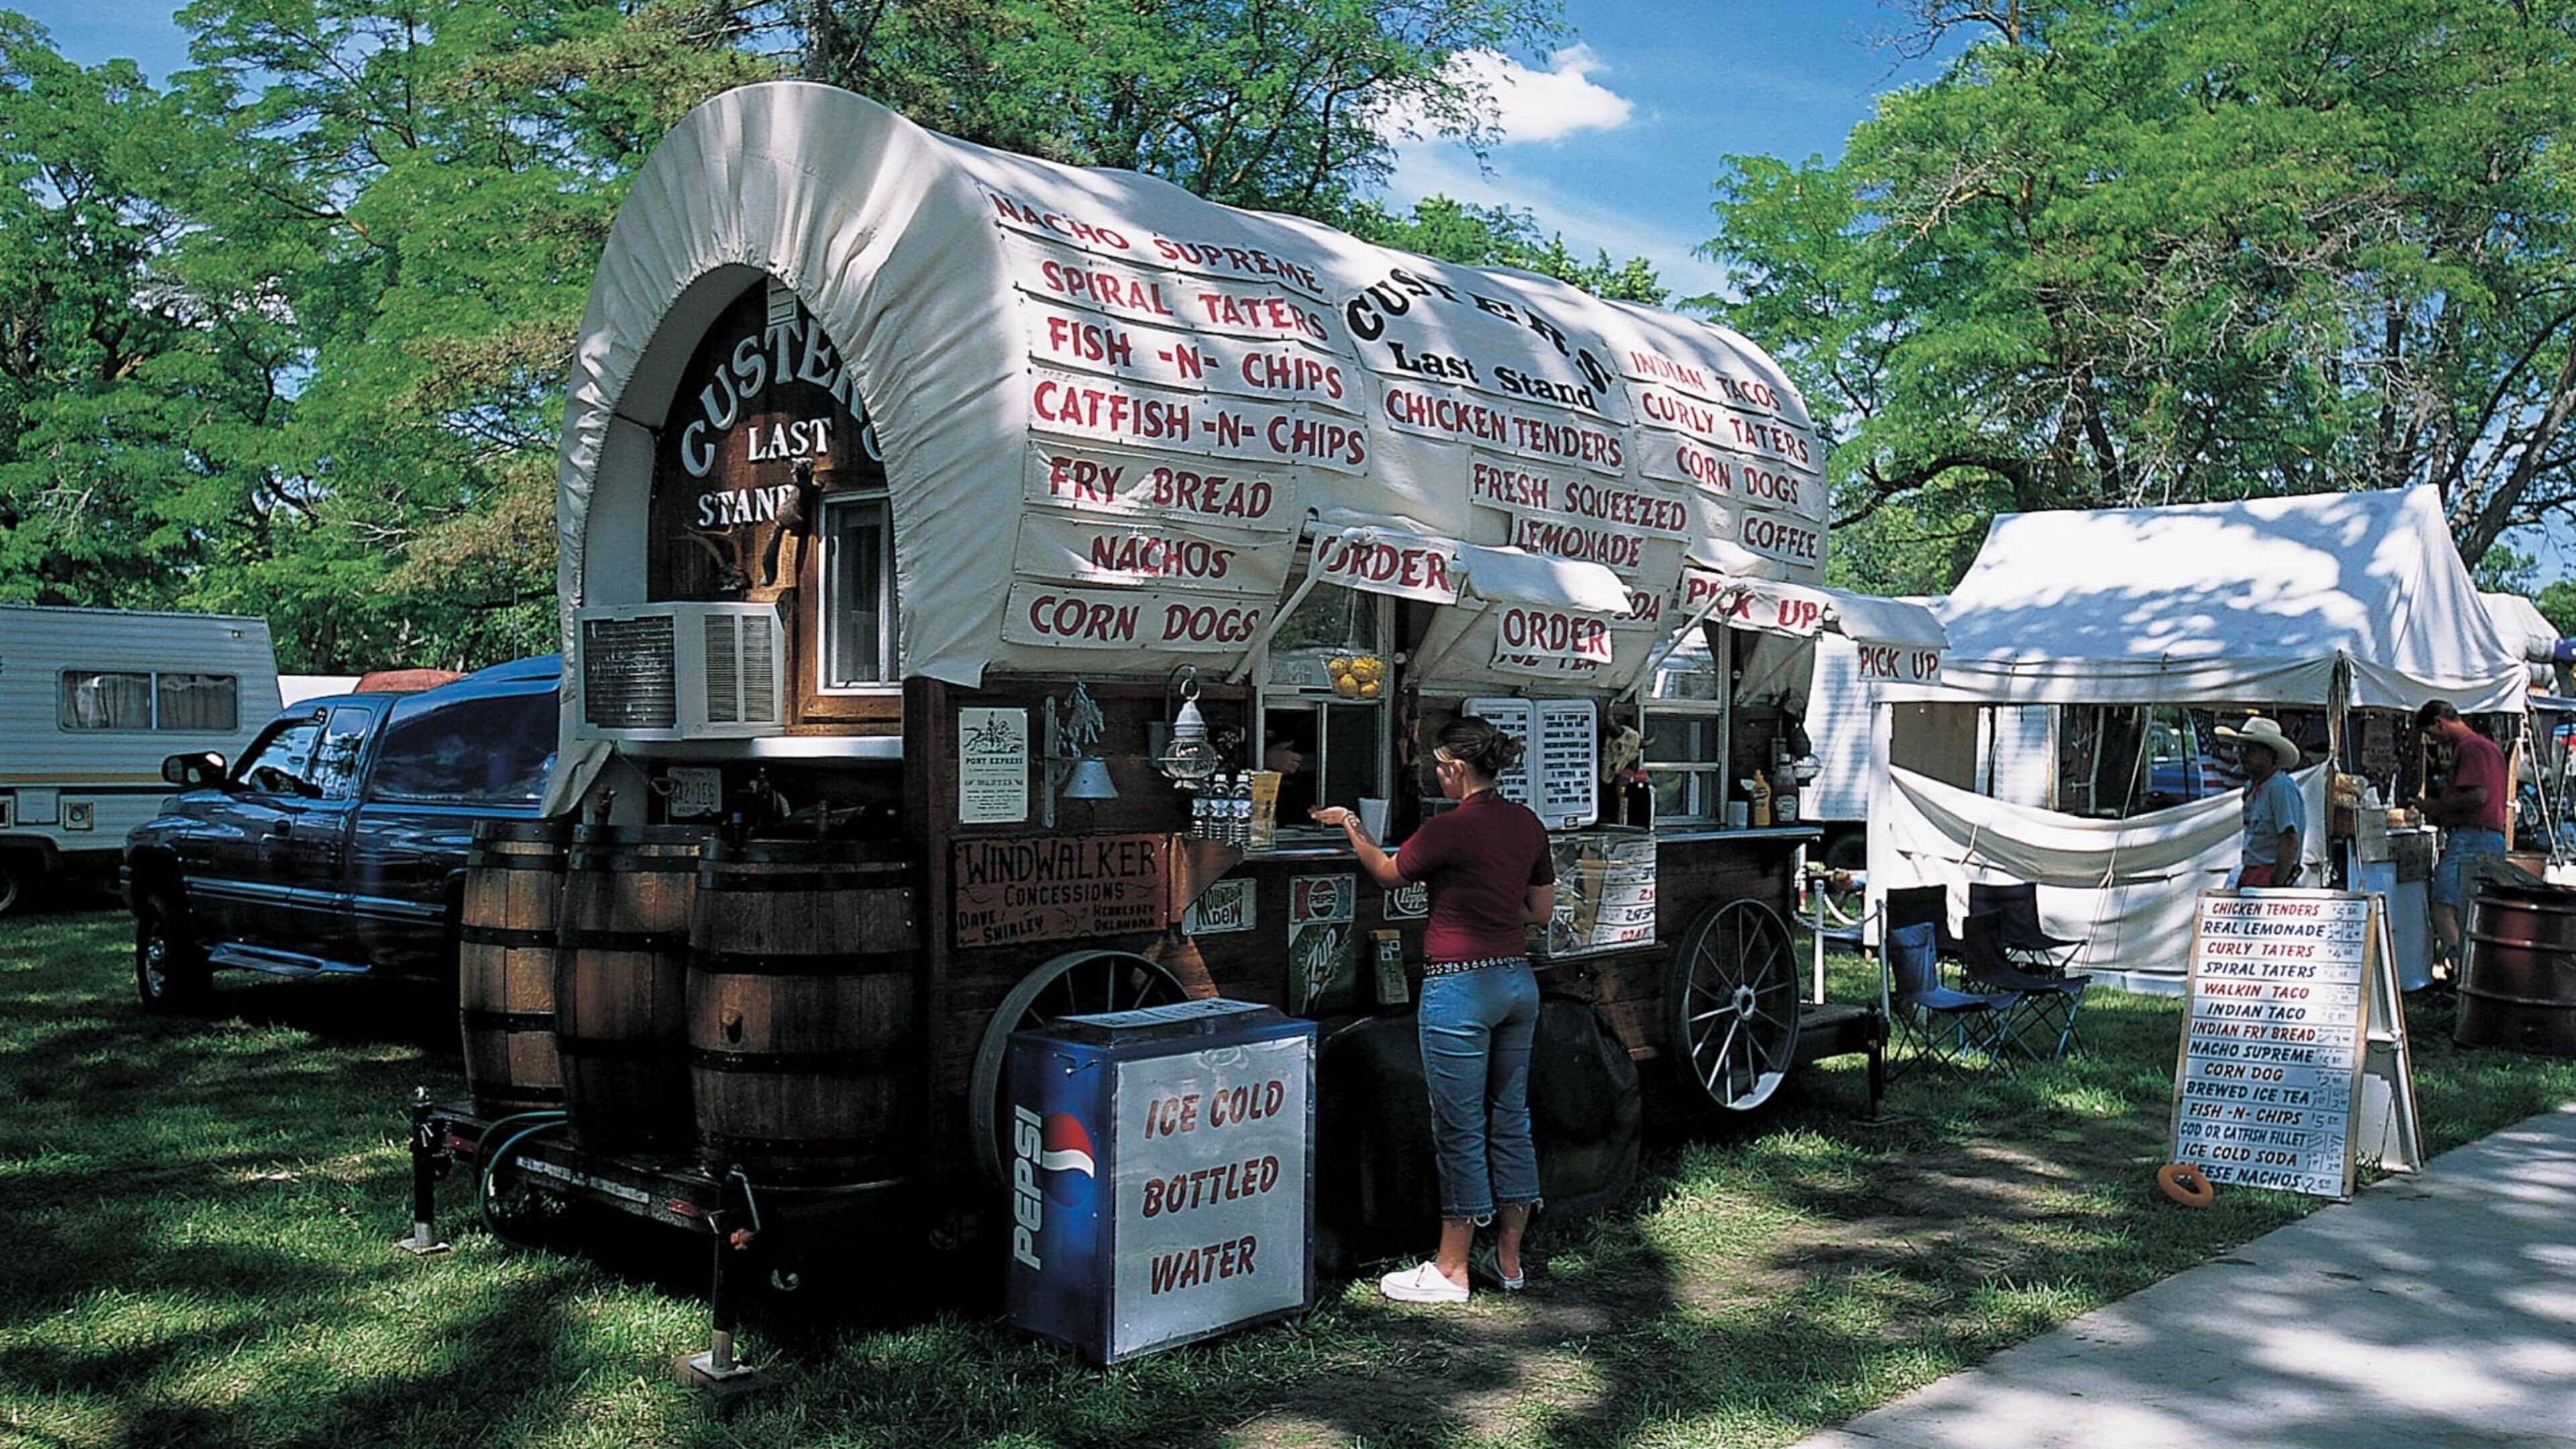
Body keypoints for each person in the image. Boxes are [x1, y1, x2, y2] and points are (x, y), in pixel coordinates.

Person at [1312, 717, 1554, 1303]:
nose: (1435, 776)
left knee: (1460, 1128)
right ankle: (1510, 1261)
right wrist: (1493, 905)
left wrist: (1350, 824)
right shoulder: (1526, 822)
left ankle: (1450, 1271)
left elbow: (1388, 874)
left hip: (1460, 988)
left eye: (1438, 768)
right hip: (1518, 984)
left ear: (1454, 768)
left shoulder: (1450, 827)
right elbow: (1540, 911)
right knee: (1511, 1118)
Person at [2414, 700, 2510, 966]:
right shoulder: (2488, 746)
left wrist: (2437, 805)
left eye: (2433, 734)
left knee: (2443, 908)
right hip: (2490, 836)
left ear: (2439, 723)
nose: (2436, 741)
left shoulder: (2470, 748)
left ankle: (2460, 972)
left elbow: (2479, 796)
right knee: (2474, 913)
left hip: (2472, 837)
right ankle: (2471, 972)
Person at [2216, 715, 2304, 886]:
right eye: (2241, 749)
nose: (2243, 755)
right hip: (2252, 872)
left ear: (2269, 754)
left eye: (2250, 750)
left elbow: (2289, 839)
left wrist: (2276, 883)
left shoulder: (2280, 787)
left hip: (2269, 874)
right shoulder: (2252, 787)